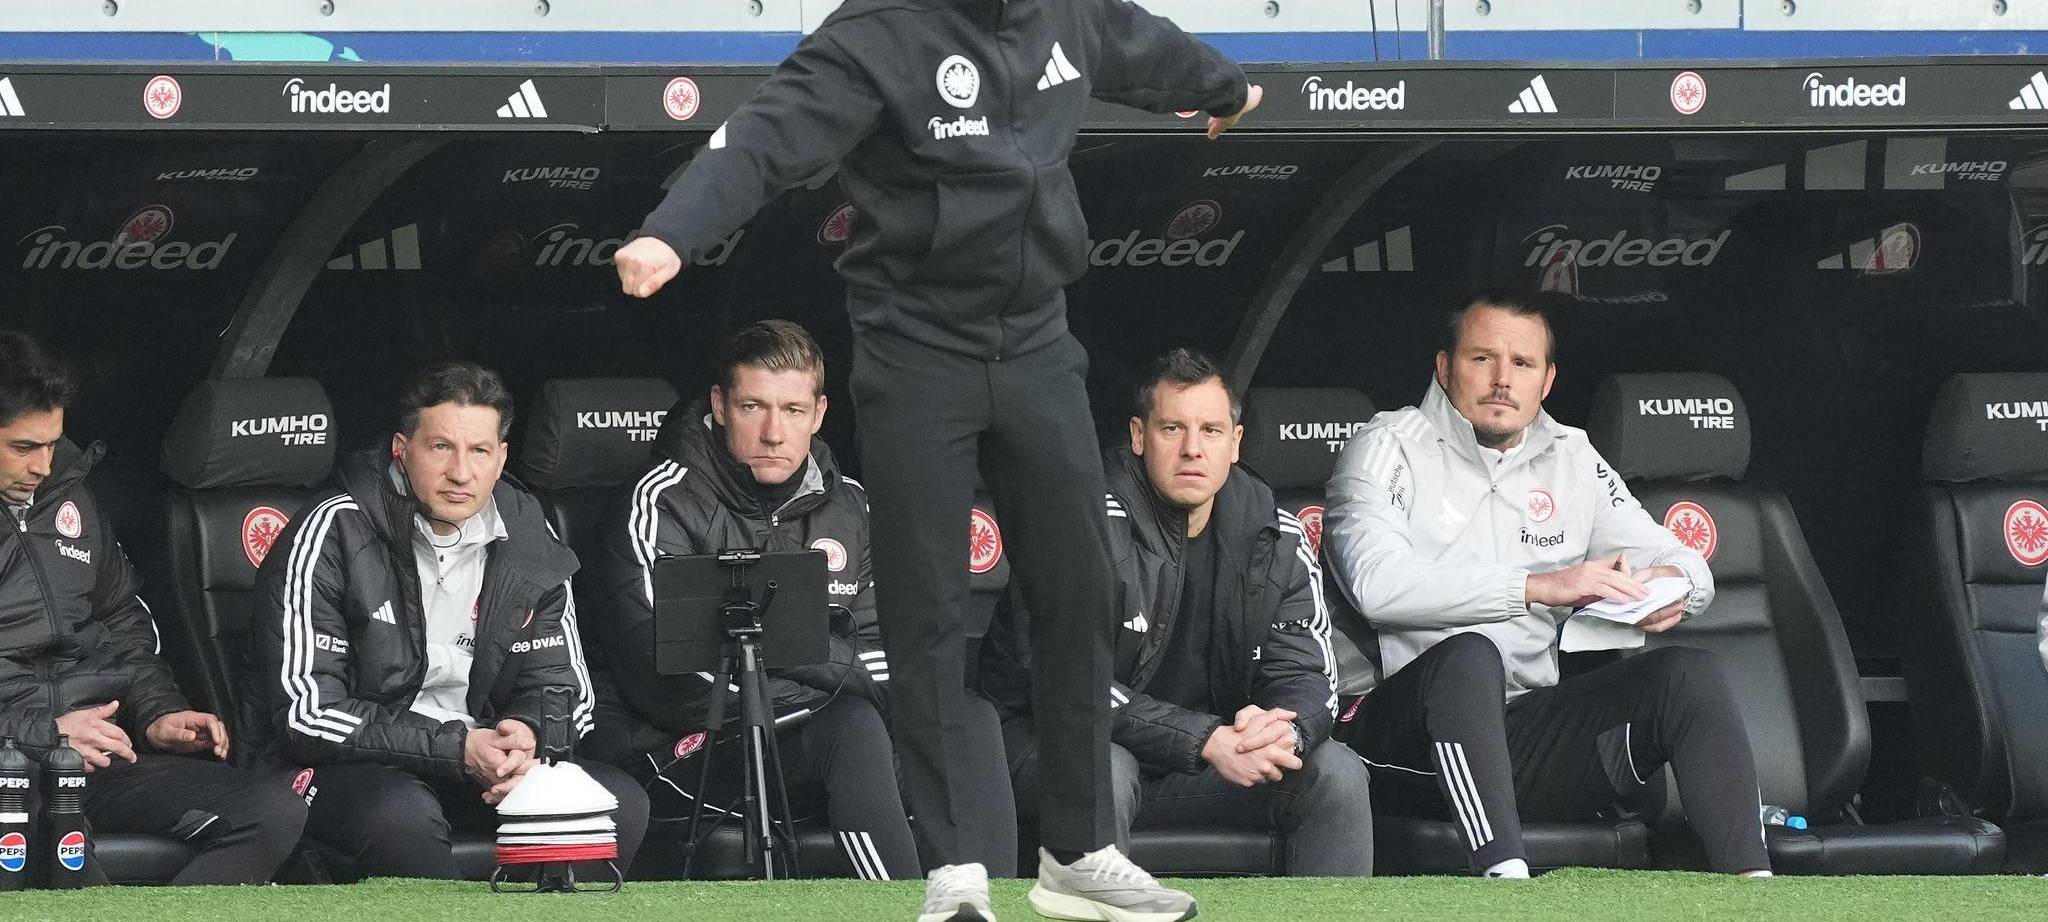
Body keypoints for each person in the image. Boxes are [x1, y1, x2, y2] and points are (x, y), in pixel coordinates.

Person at [610, 2, 1263, 918]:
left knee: (1082, 588)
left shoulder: (1063, 14)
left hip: (1037, 340)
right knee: (923, 609)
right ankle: (953, 871)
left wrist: (1222, 85)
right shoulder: (881, 30)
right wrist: (671, 230)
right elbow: (763, 133)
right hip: (916, 349)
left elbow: (1143, 45)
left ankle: (1078, 856)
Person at [1321, 289, 1772, 877]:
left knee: (1687, 674)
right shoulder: (1385, 447)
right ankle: (1508, 885)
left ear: (1547, 380)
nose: (1502, 380)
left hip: (1523, 737)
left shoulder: (1572, 457)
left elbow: (1680, 558)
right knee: (1468, 657)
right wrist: (1536, 586)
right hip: (1405, 742)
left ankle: (1756, 891)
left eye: (1523, 364)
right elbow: (1376, 585)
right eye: (1482, 359)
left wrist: (1675, 584)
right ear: (1443, 366)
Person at [243, 361, 647, 879]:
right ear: (400, 449)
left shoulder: (527, 534)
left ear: (501, 459)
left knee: (616, 804)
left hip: (480, 761)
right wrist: (456, 749)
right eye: (440, 448)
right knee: (402, 814)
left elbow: (564, 687)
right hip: (348, 769)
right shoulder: (332, 529)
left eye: (479, 451)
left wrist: (527, 738)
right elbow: (307, 714)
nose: (461, 472)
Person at [986, 349, 1373, 882]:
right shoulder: (1079, 527)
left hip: (1208, 763)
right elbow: (1068, 681)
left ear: (1235, 443)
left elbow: (1305, 675)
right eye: (1173, 428)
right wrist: (1205, 738)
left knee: (1334, 771)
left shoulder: (1275, 535)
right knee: (1104, 769)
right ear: (1139, 436)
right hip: (1057, 754)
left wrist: (1282, 732)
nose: (1193, 449)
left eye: (1211, 430)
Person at [585, 320, 920, 880]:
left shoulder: (852, 507)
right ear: (719, 406)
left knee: (962, 721)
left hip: (806, 738)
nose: (773, 432)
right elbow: (666, 676)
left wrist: (805, 669)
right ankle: (895, 906)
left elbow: (884, 654)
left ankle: (982, 900)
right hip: (682, 751)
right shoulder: (659, 502)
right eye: (752, 407)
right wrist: (823, 669)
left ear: (818, 414)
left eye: (792, 411)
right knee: (853, 723)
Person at [0, 329, 306, 885]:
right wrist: (43, 733)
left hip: (102, 753)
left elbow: (123, 626)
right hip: (13, 763)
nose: (44, 465)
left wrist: (156, 713)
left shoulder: (72, 497)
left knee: (274, 810)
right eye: (24, 448)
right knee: (54, 842)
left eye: (53, 443)